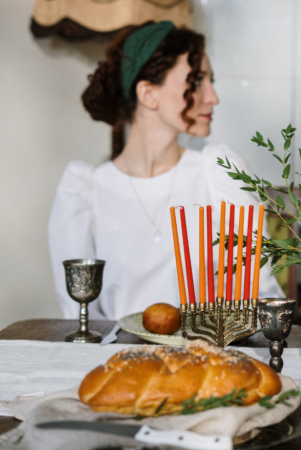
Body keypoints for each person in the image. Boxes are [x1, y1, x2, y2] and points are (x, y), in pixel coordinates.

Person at [49, 21, 284, 320]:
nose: (213, 97)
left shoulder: (220, 173)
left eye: (211, 81)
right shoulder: (86, 191)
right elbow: (80, 319)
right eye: (197, 80)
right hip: (117, 362)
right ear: (149, 93)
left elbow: (261, 293)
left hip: (203, 358)